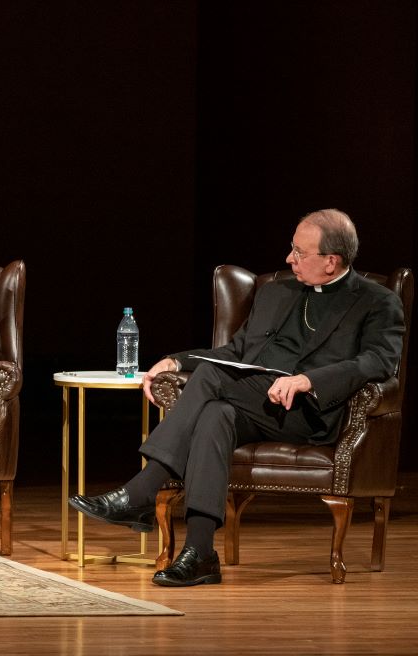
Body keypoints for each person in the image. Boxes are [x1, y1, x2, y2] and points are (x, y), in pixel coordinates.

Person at [70, 209, 405, 586]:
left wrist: (309, 381)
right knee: (215, 414)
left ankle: (142, 491)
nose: (288, 259)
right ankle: (201, 554)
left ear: (332, 261)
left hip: (310, 413)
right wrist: (175, 360)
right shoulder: (277, 292)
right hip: (257, 402)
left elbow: (379, 361)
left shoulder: (377, 302)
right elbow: (237, 351)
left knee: (212, 381)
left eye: (299, 252)